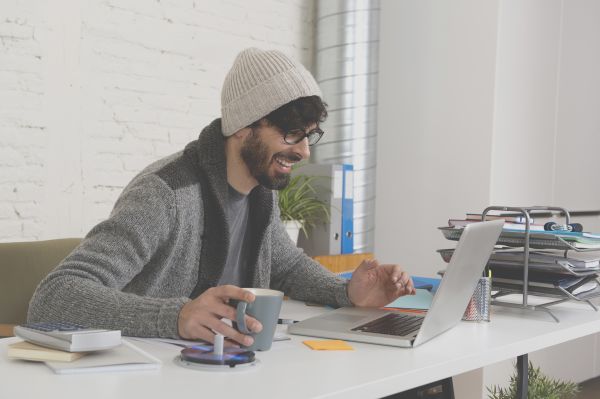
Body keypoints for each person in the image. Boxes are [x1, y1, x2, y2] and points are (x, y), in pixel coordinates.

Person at [28, 48, 415, 347]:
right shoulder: (166, 194)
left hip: (221, 369)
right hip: (149, 374)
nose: (303, 152)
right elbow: (54, 296)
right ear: (244, 127)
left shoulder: (260, 192)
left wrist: (346, 290)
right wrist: (176, 315)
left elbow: (287, 266)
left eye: (308, 136)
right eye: (291, 134)